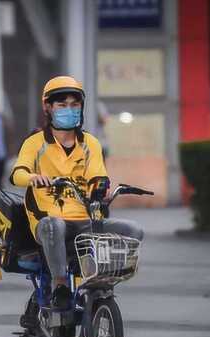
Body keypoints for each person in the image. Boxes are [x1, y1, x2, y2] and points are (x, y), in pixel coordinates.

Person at [9, 76, 144, 310]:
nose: (69, 110)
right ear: (48, 108)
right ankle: (60, 284)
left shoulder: (90, 143)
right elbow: (17, 173)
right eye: (62, 105)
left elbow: (97, 176)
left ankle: (100, 281)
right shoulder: (35, 142)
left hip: (85, 221)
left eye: (74, 104)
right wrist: (34, 177)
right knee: (54, 226)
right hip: (48, 222)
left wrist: (101, 189)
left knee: (133, 230)